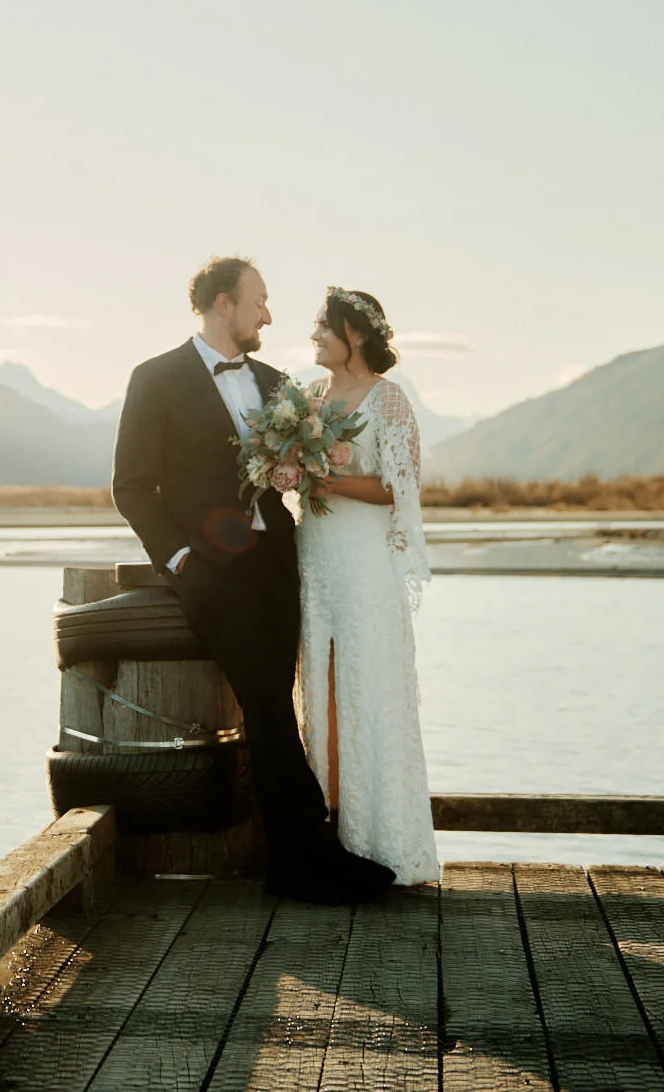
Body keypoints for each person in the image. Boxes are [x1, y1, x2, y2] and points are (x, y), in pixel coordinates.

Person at [112, 257, 396, 905]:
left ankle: (292, 863)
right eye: (259, 301)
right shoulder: (153, 379)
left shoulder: (273, 382)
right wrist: (179, 560)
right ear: (221, 303)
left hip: (277, 563)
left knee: (273, 704)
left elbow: (289, 472)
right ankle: (314, 857)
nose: (268, 314)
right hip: (211, 574)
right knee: (266, 702)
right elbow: (130, 486)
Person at [281, 287, 440, 885]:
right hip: (316, 554)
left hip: (364, 563)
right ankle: (330, 837)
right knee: (318, 689)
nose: (315, 335)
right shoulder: (309, 398)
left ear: (357, 336)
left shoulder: (389, 400)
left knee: (365, 686)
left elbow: (401, 489)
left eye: (325, 327)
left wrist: (325, 478)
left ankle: (383, 842)